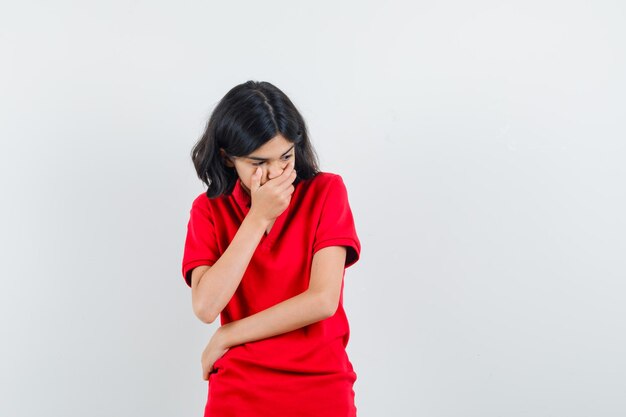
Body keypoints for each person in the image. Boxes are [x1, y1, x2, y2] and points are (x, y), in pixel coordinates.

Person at [181, 80, 361, 417]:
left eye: (286, 157)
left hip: (320, 382)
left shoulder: (326, 192)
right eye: (258, 162)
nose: (277, 172)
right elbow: (206, 306)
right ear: (228, 158)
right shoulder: (207, 211)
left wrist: (228, 335)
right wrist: (257, 218)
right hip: (239, 386)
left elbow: (322, 301)